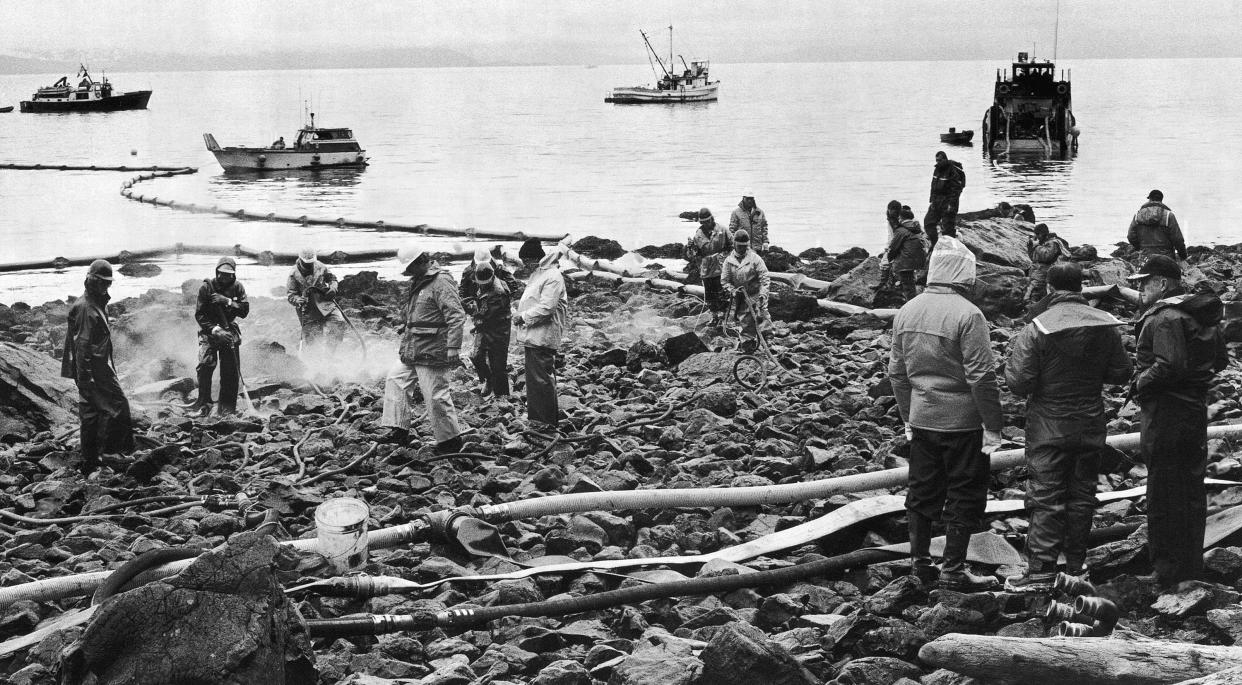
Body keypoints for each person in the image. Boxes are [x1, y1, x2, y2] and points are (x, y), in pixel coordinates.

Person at [1002, 262, 1132, 591]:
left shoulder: (1037, 327)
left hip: (1048, 425)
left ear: (1049, 288)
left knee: (1045, 498)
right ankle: (1076, 567)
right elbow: (1121, 372)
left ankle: (1042, 571)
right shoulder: (1104, 326)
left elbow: (1019, 382)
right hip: (1089, 423)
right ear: (1081, 287)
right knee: (1081, 496)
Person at [888, 235, 1003, 591]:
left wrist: (908, 416)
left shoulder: (907, 311)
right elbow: (982, 376)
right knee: (965, 493)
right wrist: (993, 425)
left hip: (923, 419)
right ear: (962, 275)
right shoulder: (969, 315)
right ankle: (953, 569)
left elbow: (897, 373)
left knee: (921, 493)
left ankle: (919, 564)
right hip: (964, 423)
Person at [1127, 255, 1228, 587]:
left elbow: (1169, 365)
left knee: (1163, 488)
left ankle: (1167, 570)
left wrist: (1140, 383)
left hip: (1166, 413)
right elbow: (1221, 360)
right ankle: (1190, 566)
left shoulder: (1165, 317)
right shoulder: (1198, 313)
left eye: (1144, 282)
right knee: (1190, 488)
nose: (1140, 288)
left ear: (1162, 283)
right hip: (1193, 410)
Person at [382, 247, 469, 454]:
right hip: (413, 347)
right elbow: (420, 311)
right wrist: (405, 324)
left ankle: (450, 442)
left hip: (432, 349)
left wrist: (453, 347)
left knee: (436, 395)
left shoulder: (441, 281)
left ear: (420, 262)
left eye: (410, 267)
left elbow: (456, 315)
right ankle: (398, 429)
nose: (408, 272)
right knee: (395, 379)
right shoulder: (420, 281)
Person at [60, 259, 134, 472]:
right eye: (101, 282)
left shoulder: (96, 302)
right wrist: (86, 379)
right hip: (93, 368)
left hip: (96, 365)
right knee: (117, 405)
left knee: (92, 411)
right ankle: (109, 455)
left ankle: (92, 460)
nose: (104, 286)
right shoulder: (86, 308)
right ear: (90, 280)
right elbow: (82, 346)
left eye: (107, 283)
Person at [515, 245, 569, 432]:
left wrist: (522, 316)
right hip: (534, 335)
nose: (524, 265)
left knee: (541, 378)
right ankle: (538, 418)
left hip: (543, 334)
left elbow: (547, 307)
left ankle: (545, 422)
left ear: (533, 259)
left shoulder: (552, 276)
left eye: (526, 261)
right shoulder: (540, 274)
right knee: (535, 378)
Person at [193, 257, 250, 416]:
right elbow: (200, 315)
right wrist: (214, 329)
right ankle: (204, 404)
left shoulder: (238, 287)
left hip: (229, 330)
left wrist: (228, 301)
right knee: (205, 365)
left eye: (227, 275)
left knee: (231, 370)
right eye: (221, 274)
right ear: (216, 272)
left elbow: (244, 311)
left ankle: (227, 409)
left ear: (233, 275)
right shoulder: (206, 288)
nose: (223, 277)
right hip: (210, 331)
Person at [461, 248, 514, 398]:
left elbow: (484, 314)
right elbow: (470, 295)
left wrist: (469, 308)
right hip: (487, 325)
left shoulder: (497, 293)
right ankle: (488, 380)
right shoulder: (480, 278)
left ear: (492, 276)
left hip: (498, 329)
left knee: (498, 363)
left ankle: (503, 397)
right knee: (476, 356)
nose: (481, 285)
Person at [287, 248, 346, 353]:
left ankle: (331, 352)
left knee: (339, 322)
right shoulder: (293, 274)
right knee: (313, 341)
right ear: (300, 261)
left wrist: (333, 288)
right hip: (307, 310)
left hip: (325, 304)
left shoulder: (320, 266)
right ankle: (316, 361)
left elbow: (332, 278)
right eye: (306, 264)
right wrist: (297, 300)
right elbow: (291, 295)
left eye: (311, 263)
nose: (309, 266)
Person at [721, 230, 771, 353]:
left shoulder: (755, 258)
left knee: (762, 317)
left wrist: (763, 295)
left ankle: (767, 342)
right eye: (740, 246)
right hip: (740, 296)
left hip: (755, 294)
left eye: (745, 246)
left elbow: (765, 278)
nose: (742, 249)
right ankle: (748, 344)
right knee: (745, 320)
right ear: (734, 244)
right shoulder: (728, 261)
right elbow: (724, 281)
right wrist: (732, 290)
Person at [685, 208, 732, 326]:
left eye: (708, 220)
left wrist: (727, 257)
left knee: (723, 292)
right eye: (703, 222)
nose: (706, 224)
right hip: (706, 269)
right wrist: (690, 248)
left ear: (712, 218)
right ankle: (714, 316)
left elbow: (733, 244)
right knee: (710, 295)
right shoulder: (698, 235)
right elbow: (691, 256)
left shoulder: (722, 230)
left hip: (722, 266)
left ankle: (725, 317)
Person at [1127, 189, 1187, 261]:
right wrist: (1183, 256)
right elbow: (1178, 239)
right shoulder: (1168, 215)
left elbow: (1131, 236)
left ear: (1149, 199)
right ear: (1161, 200)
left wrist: (1140, 248)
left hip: (1145, 258)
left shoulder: (1138, 215)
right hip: (1166, 258)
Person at [923, 151, 966, 247]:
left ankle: (950, 248)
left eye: (940, 160)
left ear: (945, 159)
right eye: (937, 160)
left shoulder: (952, 170)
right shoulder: (937, 170)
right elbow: (933, 186)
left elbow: (956, 189)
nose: (938, 162)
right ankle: (935, 244)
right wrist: (932, 201)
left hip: (948, 202)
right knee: (928, 223)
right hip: (936, 201)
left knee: (948, 228)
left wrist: (951, 204)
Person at [885, 207, 927, 303]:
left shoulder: (901, 230)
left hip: (906, 261)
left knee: (907, 285)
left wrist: (889, 258)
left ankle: (911, 305)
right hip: (918, 259)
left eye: (899, 217)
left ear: (901, 217)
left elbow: (893, 247)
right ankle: (913, 301)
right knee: (910, 282)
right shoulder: (916, 227)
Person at [1026, 223, 1071, 302]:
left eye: (1037, 234)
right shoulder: (1041, 242)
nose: (1036, 237)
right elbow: (1033, 258)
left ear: (1043, 233)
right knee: (1034, 290)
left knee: (1036, 291)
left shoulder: (1052, 243)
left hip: (1047, 270)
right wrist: (1030, 247)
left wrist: (1036, 246)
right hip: (1037, 271)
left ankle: (1035, 304)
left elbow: (1047, 256)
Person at [876, 200, 903, 295]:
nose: (891, 212)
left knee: (895, 264)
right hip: (894, 243)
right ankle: (883, 284)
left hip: (902, 244)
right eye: (890, 210)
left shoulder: (902, 219)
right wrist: (887, 247)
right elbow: (890, 235)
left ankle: (895, 284)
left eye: (894, 210)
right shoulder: (890, 219)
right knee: (885, 262)